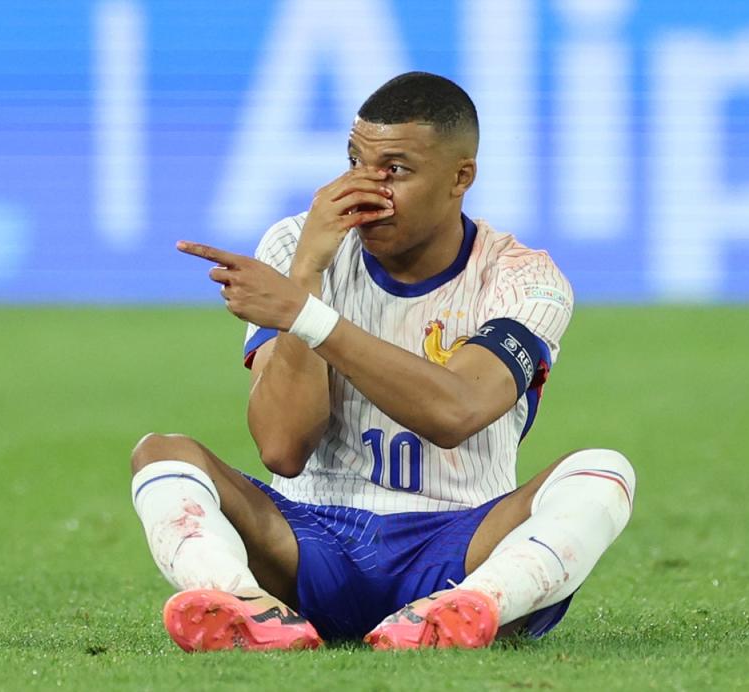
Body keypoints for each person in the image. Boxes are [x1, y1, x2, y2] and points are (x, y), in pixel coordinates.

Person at [130, 71, 635, 652]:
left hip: (461, 541)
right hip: (308, 541)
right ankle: (247, 607)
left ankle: (470, 606)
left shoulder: (524, 279)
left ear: (460, 176)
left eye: (394, 170)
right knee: (160, 454)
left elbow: (456, 410)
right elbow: (282, 449)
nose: (366, 191)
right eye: (355, 162)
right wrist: (308, 279)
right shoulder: (297, 249)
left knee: (603, 470)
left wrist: (307, 316)